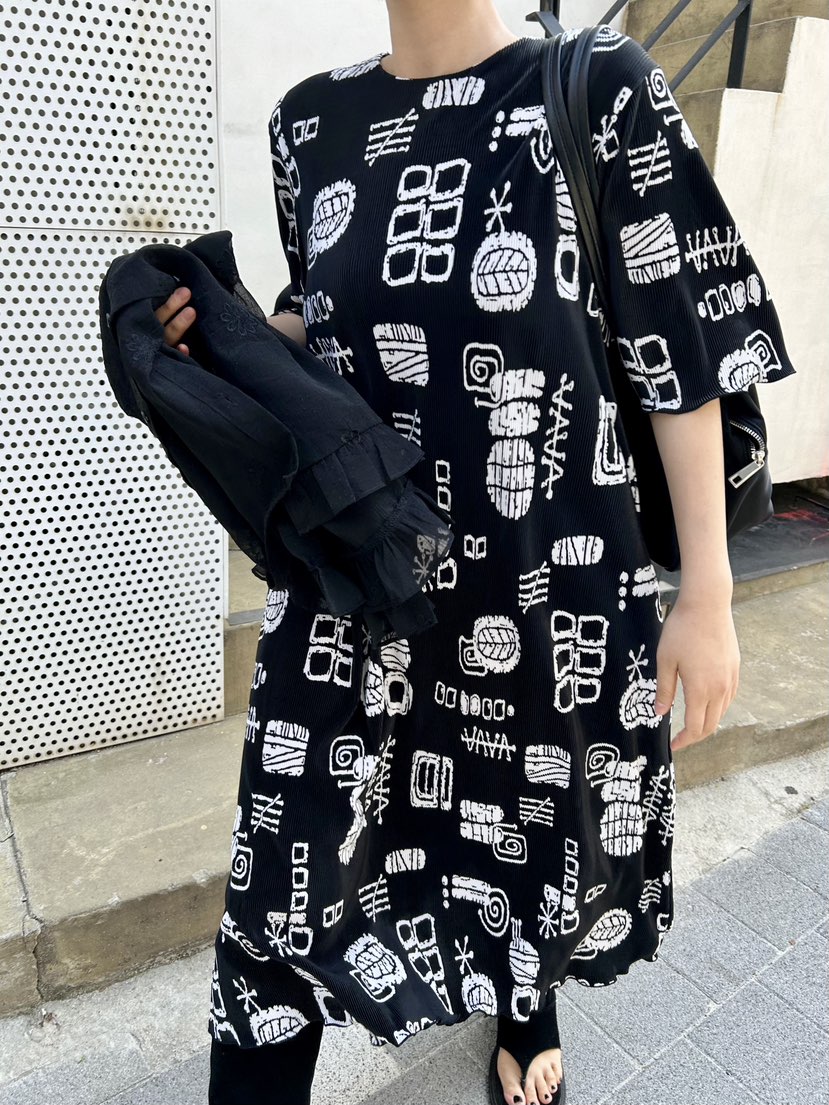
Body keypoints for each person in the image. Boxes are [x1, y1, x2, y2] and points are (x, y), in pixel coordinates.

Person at [156, 2, 796, 1103]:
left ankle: (524, 1005)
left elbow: (678, 346)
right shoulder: (309, 124)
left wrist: (708, 590)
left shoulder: (597, 85)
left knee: (524, 841)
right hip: (355, 594)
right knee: (277, 897)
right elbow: (326, 325)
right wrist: (212, 331)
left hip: (543, 588)